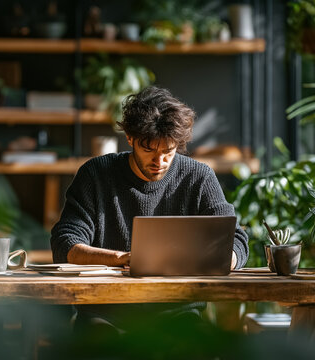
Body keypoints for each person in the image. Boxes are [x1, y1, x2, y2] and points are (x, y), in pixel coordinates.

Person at [50, 85, 249, 335]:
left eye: (168, 151)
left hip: (178, 314)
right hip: (105, 314)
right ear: (130, 138)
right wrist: (120, 259)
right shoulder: (96, 175)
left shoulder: (199, 177)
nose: (160, 161)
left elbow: (237, 240)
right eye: (149, 150)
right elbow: (65, 243)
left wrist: (222, 259)